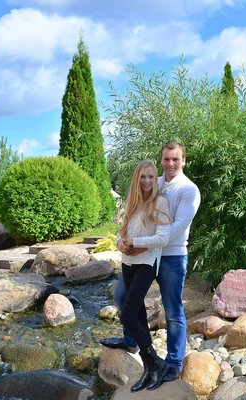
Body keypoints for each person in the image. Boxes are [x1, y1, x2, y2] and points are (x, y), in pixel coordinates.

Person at [101, 142, 201, 382]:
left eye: (175, 159)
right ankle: (132, 340)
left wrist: (140, 244)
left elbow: (176, 228)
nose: (170, 164)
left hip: (172, 256)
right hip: (144, 256)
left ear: (184, 160)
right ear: (161, 160)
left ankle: (174, 362)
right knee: (123, 297)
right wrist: (123, 241)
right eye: (166, 159)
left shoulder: (189, 190)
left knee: (172, 309)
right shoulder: (153, 182)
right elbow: (133, 218)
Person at [110, 159, 172, 392]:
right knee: (139, 314)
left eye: (150, 176)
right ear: (137, 179)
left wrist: (135, 242)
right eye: (142, 177)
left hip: (146, 264)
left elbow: (162, 238)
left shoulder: (160, 203)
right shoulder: (132, 204)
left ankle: (155, 362)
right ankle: (151, 367)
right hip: (128, 263)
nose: (147, 181)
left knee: (127, 314)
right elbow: (120, 233)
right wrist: (120, 244)